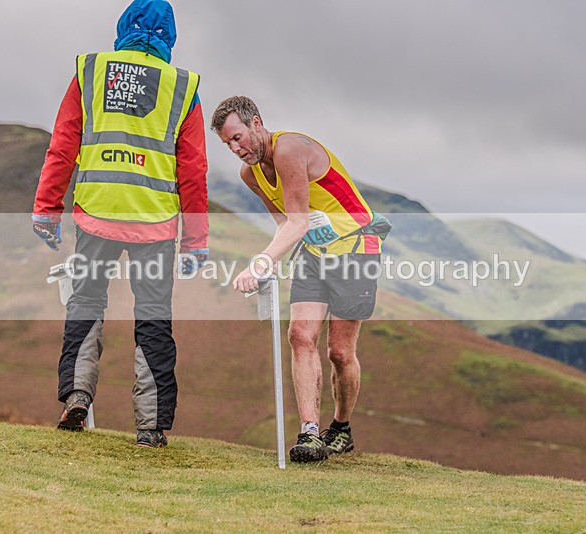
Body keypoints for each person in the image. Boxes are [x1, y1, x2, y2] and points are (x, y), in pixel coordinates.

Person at [32, 0, 208, 447]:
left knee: (86, 303)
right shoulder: (182, 86)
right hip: (156, 223)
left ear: (123, 27)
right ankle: (150, 428)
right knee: (153, 318)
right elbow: (193, 171)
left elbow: (62, 145)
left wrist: (46, 209)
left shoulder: (89, 71)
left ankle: (76, 396)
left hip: (96, 214)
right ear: (169, 37)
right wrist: (195, 242)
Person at [211, 96, 384, 462]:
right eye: (228, 144)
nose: (236, 149)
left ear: (256, 123)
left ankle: (340, 428)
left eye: (238, 137)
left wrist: (259, 263)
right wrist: (273, 260)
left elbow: (299, 222)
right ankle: (309, 433)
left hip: (357, 248)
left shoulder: (288, 148)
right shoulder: (250, 174)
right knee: (300, 335)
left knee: (340, 352)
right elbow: (285, 224)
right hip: (314, 253)